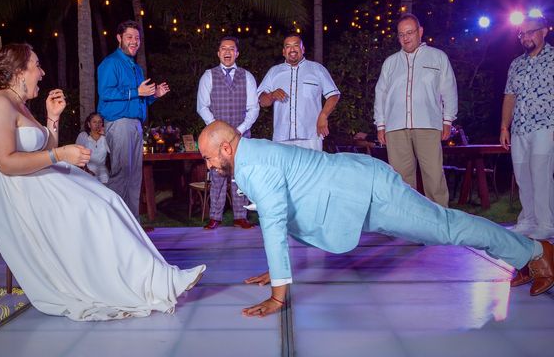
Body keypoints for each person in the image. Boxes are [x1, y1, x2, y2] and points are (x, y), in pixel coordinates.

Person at [198, 120, 553, 317]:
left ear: (225, 148)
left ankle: (538, 252)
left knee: (445, 227)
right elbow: (286, 209)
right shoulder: (248, 159)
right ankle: (524, 255)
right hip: (352, 199)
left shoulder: (254, 165)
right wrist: (274, 271)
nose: (208, 165)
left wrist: (278, 295)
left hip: (368, 191)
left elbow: (273, 227)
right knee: (443, 228)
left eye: (209, 157)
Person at [0, 43, 205, 321]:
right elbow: (6, 162)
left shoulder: (18, 104)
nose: (42, 73)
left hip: (24, 179)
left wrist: (52, 119)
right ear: (20, 71)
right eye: (37, 66)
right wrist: (59, 154)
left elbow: (41, 148)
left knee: (108, 199)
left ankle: (155, 278)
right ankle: (130, 282)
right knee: (94, 210)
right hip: (7, 187)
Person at [374, 13, 457, 207]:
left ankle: (440, 222)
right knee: (402, 180)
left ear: (420, 32)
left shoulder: (438, 57)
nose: (406, 38)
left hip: (428, 124)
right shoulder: (390, 62)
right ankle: (409, 224)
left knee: (434, 176)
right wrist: (381, 124)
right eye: (401, 34)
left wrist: (447, 120)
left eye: (410, 32)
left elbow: (449, 90)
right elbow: (381, 94)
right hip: (395, 127)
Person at [97, 20, 170, 221]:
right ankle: (112, 223)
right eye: (129, 37)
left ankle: (132, 224)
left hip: (136, 125)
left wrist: (154, 95)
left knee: (134, 177)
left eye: (137, 38)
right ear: (119, 38)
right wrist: (135, 91)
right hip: (119, 124)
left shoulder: (136, 68)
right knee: (121, 175)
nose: (134, 41)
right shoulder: (111, 63)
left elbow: (139, 101)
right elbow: (105, 93)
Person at [197, 36, 260, 230]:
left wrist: (238, 130)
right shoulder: (208, 76)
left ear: (237, 53)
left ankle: (241, 216)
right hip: (217, 138)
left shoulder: (247, 76)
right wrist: (218, 129)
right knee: (217, 176)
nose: (227, 52)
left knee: (240, 175)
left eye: (231, 49)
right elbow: (202, 106)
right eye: (223, 48)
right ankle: (215, 216)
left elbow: (253, 108)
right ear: (218, 53)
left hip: (241, 136)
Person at [500, 15, 554, 241]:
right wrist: (504, 126)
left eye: (531, 32)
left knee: (541, 173)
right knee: (522, 175)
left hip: (545, 126)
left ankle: (546, 223)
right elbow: (510, 96)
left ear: (544, 31)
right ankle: (528, 219)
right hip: (520, 128)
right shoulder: (517, 63)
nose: (526, 37)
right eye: (522, 33)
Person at [257, 34, 340, 151]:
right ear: (283, 51)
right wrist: (271, 95)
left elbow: (333, 95)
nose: (292, 49)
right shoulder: (274, 72)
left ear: (303, 49)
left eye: (296, 45)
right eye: (288, 46)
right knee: (284, 169)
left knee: (312, 169)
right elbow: (262, 101)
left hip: (311, 136)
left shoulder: (317, 69)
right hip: (282, 137)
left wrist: (323, 116)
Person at [76, 112, 110, 184]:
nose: (97, 125)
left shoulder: (105, 137)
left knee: (105, 182)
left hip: (102, 171)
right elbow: (77, 155)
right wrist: (86, 170)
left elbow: (112, 151)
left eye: (100, 122)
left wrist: (107, 135)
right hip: (85, 169)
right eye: (94, 122)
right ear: (89, 124)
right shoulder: (83, 136)